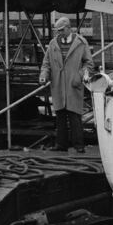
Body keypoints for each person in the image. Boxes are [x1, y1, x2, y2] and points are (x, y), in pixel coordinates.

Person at [39, 17, 93, 153]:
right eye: (58, 30)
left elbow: (89, 64)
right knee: (60, 115)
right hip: (58, 84)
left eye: (61, 30)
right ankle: (61, 145)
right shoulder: (53, 44)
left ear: (69, 28)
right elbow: (46, 63)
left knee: (75, 115)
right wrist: (44, 75)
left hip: (73, 84)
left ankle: (79, 145)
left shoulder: (81, 43)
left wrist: (79, 76)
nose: (59, 33)